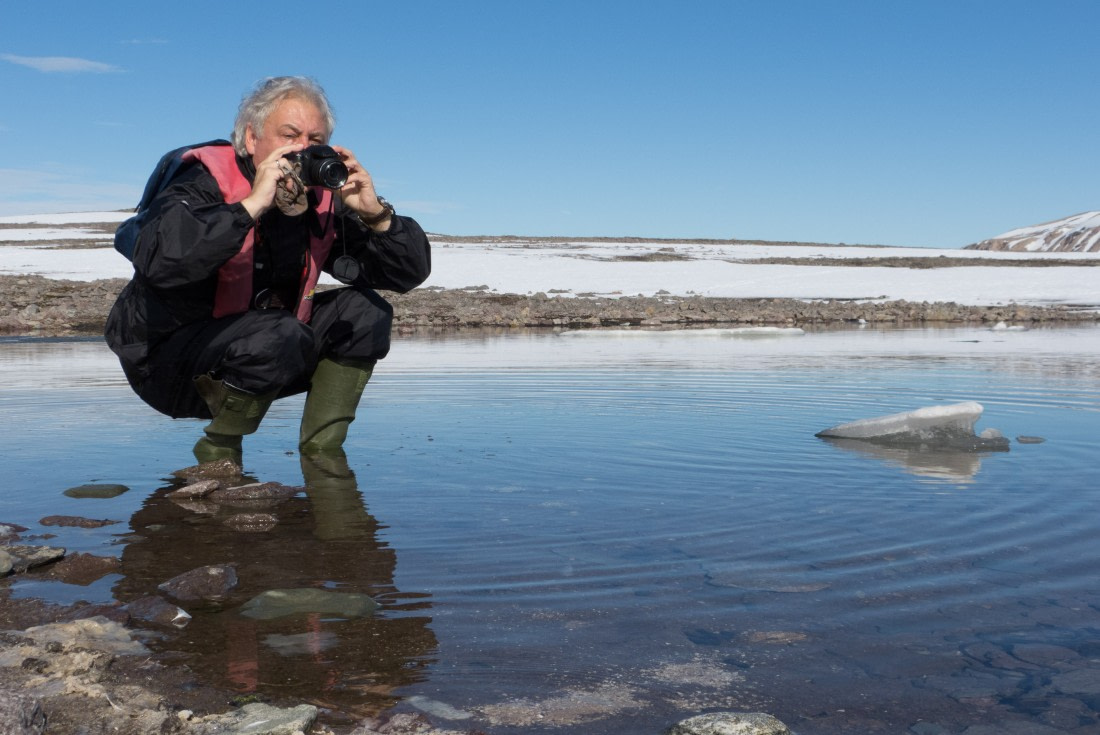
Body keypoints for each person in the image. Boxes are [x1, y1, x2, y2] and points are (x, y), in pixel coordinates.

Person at [105, 76, 431, 462]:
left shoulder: (320, 201)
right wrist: (251, 206)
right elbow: (163, 260)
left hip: (264, 352)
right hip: (165, 366)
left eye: (315, 139)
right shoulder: (201, 183)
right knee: (277, 334)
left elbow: (406, 274)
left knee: (364, 313)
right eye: (290, 135)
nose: (303, 149)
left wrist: (376, 216)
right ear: (251, 138)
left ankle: (324, 460)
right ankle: (218, 458)